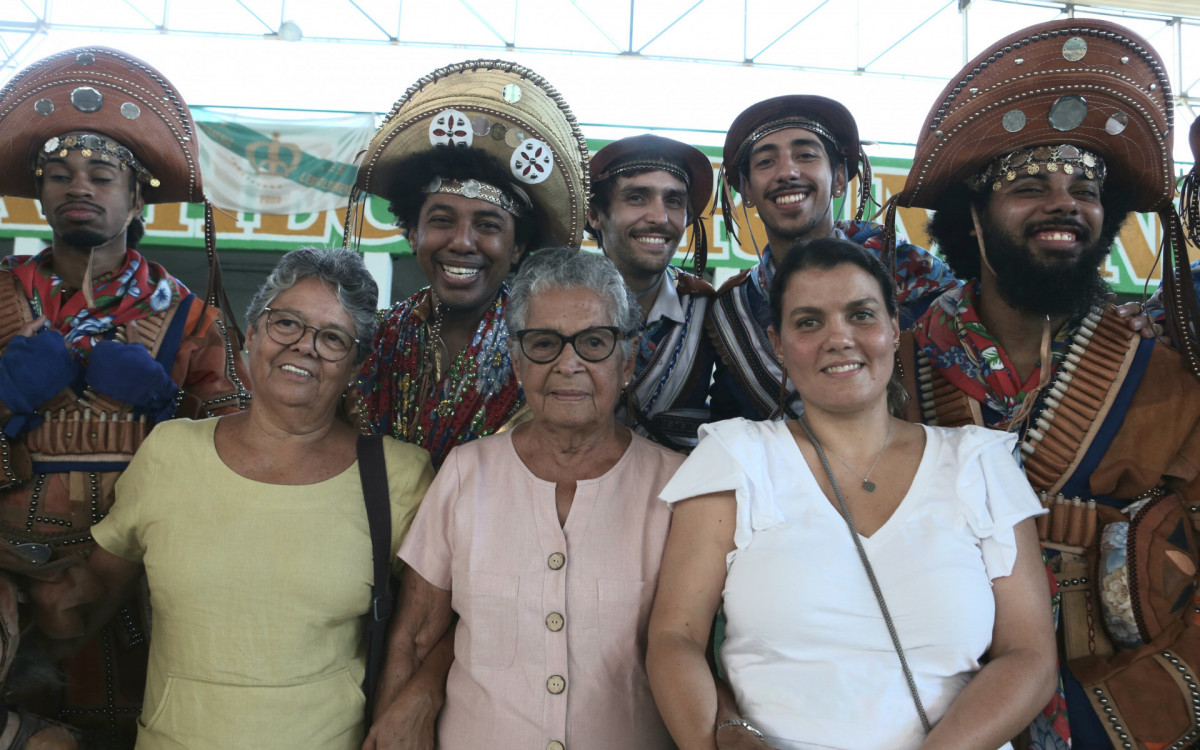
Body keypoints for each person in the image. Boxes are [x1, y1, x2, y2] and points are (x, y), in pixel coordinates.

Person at [889, 19, 1200, 748]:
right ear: (973, 218)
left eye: (1085, 191)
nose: (1064, 204)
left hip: (1114, 705)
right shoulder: (899, 369)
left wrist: (1114, 717)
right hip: (923, 704)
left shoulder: (1165, 377)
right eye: (1030, 188)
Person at [647, 237, 1056, 749]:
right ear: (777, 343)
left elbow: (1029, 657)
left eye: (861, 315)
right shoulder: (737, 457)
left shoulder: (978, 463)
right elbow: (676, 638)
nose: (838, 338)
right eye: (808, 322)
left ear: (893, 328)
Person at [86, 248, 435, 749]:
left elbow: (446, 624)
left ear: (356, 365)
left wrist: (420, 698)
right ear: (251, 335)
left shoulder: (397, 474)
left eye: (333, 337)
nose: (305, 346)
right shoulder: (170, 451)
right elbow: (93, 590)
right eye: (286, 323)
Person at [0, 47, 249, 747]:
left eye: (102, 175)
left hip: (134, 589)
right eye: (59, 175)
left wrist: (170, 410)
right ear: (39, 194)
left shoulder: (191, 319)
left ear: (137, 198)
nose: (79, 186)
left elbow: (242, 456)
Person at [366, 248, 684, 750]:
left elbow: (693, 647)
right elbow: (416, 635)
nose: (568, 364)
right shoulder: (467, 472)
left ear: (628, 361)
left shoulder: (677, 487)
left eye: (594, 342)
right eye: (543, 343)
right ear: (516, 362)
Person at [352, 60, 590, 467]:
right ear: (413, 233)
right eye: (442, 221)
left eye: (487, 225)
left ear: (517, 248)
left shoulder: (550, 349)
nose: (462, 242)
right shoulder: (373, 339)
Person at [706, 95, 961, 421]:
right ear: (747, 190)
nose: (787, 172)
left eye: (806, 155)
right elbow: (729, 415)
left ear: (839, 178)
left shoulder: (911, 274)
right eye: (766, 162)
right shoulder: (734, 310)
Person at [587, 134, 716, 449]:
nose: (660, 217)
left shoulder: (710, 309)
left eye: (674, 201)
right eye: (636, 198)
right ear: (595, 214)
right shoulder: (557, 306)